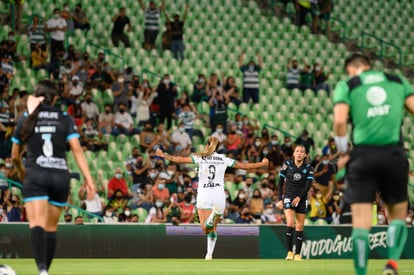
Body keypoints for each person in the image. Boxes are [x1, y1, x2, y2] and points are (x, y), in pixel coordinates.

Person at [333, 53, 414, 275]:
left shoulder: (348, 85)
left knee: (360, 224)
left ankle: (362, 273)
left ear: (351, 69)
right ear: (369, 66)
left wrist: (342, 152)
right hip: (394, 155)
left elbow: (339, 121)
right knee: (397, 216)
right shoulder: (396, 80)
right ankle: (392, 265)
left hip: (362, 157)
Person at [11, 80, 96, 275]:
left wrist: (22, 173)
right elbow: (77, 151)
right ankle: (45, 271)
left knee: (37, 224)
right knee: (51, 227)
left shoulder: (27, 117)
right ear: (56, 98)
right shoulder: (64, 117)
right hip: (60, 176)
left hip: (36, 175)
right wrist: (89, 180)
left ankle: (42, 270)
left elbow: (15, 156)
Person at [155, 136, 268, 260]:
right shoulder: (224, 159)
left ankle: (211, 224)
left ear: (207, 145)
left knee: (205, 228)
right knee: (213, 228)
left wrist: (164, 155)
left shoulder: (200, 157)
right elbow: (244, 166)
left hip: (205, 194)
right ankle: (209, 255)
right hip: (219, 195)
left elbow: (178, 159)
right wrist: (262, 163)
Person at [276, 145, 314, 261]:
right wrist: (279, 199)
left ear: (305, 155)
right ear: (293, 153)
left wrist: (299, 197)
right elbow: (280, 183)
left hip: (301, 198)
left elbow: (308, 186)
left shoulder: (308, 168)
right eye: (297, 151)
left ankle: (298, 254)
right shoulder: (287, 165)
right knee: (290, 223)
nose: (299, 153)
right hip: (288, 197)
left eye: (302, 151)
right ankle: (289, 253)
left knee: (300, 226)